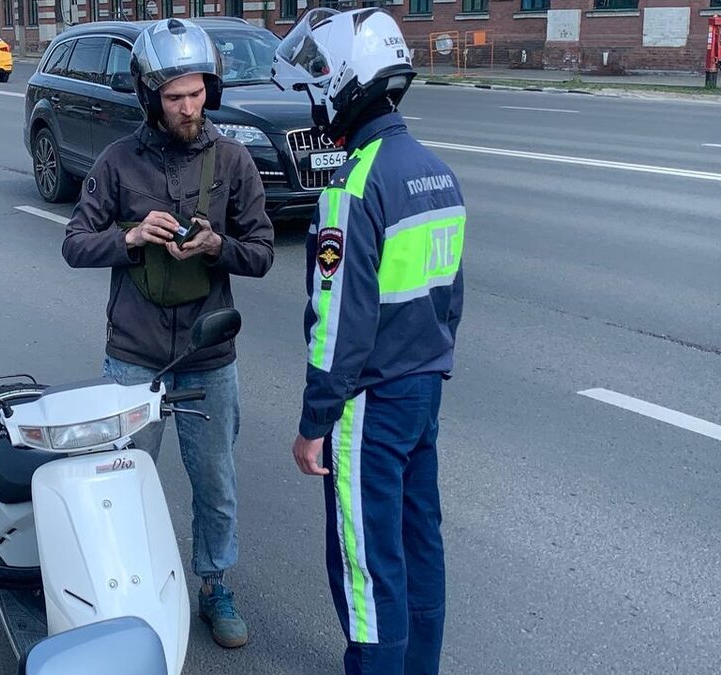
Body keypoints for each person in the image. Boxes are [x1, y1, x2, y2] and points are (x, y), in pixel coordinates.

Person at [61, 17, 274, 651]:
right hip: (134, 356)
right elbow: (74, 244)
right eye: (174, 96)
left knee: (216, 485)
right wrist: (129, 237)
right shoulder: (116, 161)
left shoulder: (233, 160)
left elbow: (262, 253)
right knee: (122, 482)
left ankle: (215, 585)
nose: (187, 107)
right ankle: (122, 591)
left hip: (209, 355)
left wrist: (216, 246)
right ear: (149, 97)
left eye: (197, 93)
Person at [272, 7, 467, 675]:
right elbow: (451, 300)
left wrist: (313, 424)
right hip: (423, 391)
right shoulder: (437, 173)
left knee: (367, 569)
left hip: (369, 404)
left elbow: (338, 329)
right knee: (419, 546)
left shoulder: (352, 188)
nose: (315, 100)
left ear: (346, 85)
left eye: (318, 85)